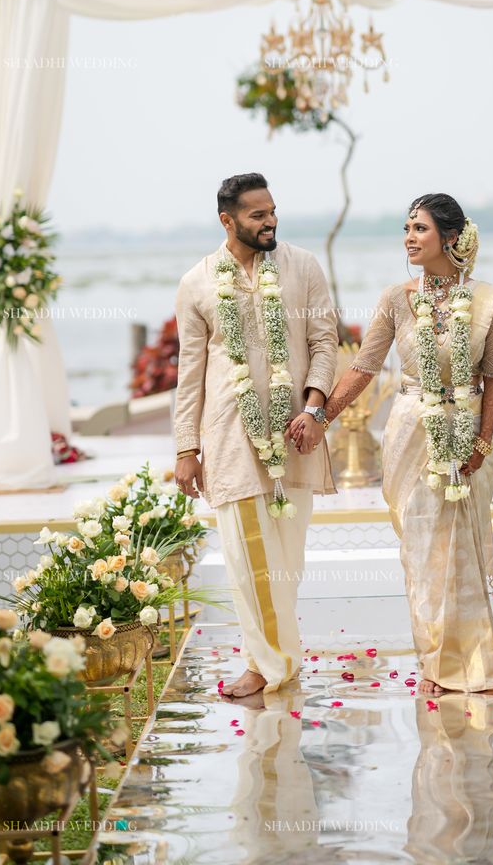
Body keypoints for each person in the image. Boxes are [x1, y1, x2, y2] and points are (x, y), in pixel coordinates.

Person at [299, 193, 493, 695]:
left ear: (451, 237)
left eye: (419, 229)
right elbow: (364, 367)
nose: (409, 238)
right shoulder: (397, 298)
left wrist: (482, 441)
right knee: (421, 550)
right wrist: (320, 416)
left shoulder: (489, 301)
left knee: (467, 547)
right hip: (411, 431)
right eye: (406, 229)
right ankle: (436, 662)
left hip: (468, 433)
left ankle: (476, 660)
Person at [174, 172, 338, 698]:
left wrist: (315, 410)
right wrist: (185, 448)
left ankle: (270, 656)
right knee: (248, 557)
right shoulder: (197, 282)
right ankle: (268, 666)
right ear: (228, 220)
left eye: (272, 211)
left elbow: (325, 342)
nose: (270, 222)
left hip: (296, 432)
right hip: (228, 435)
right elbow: (190, 371)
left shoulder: (303, 266)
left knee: (287, 560)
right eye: (257, 215)